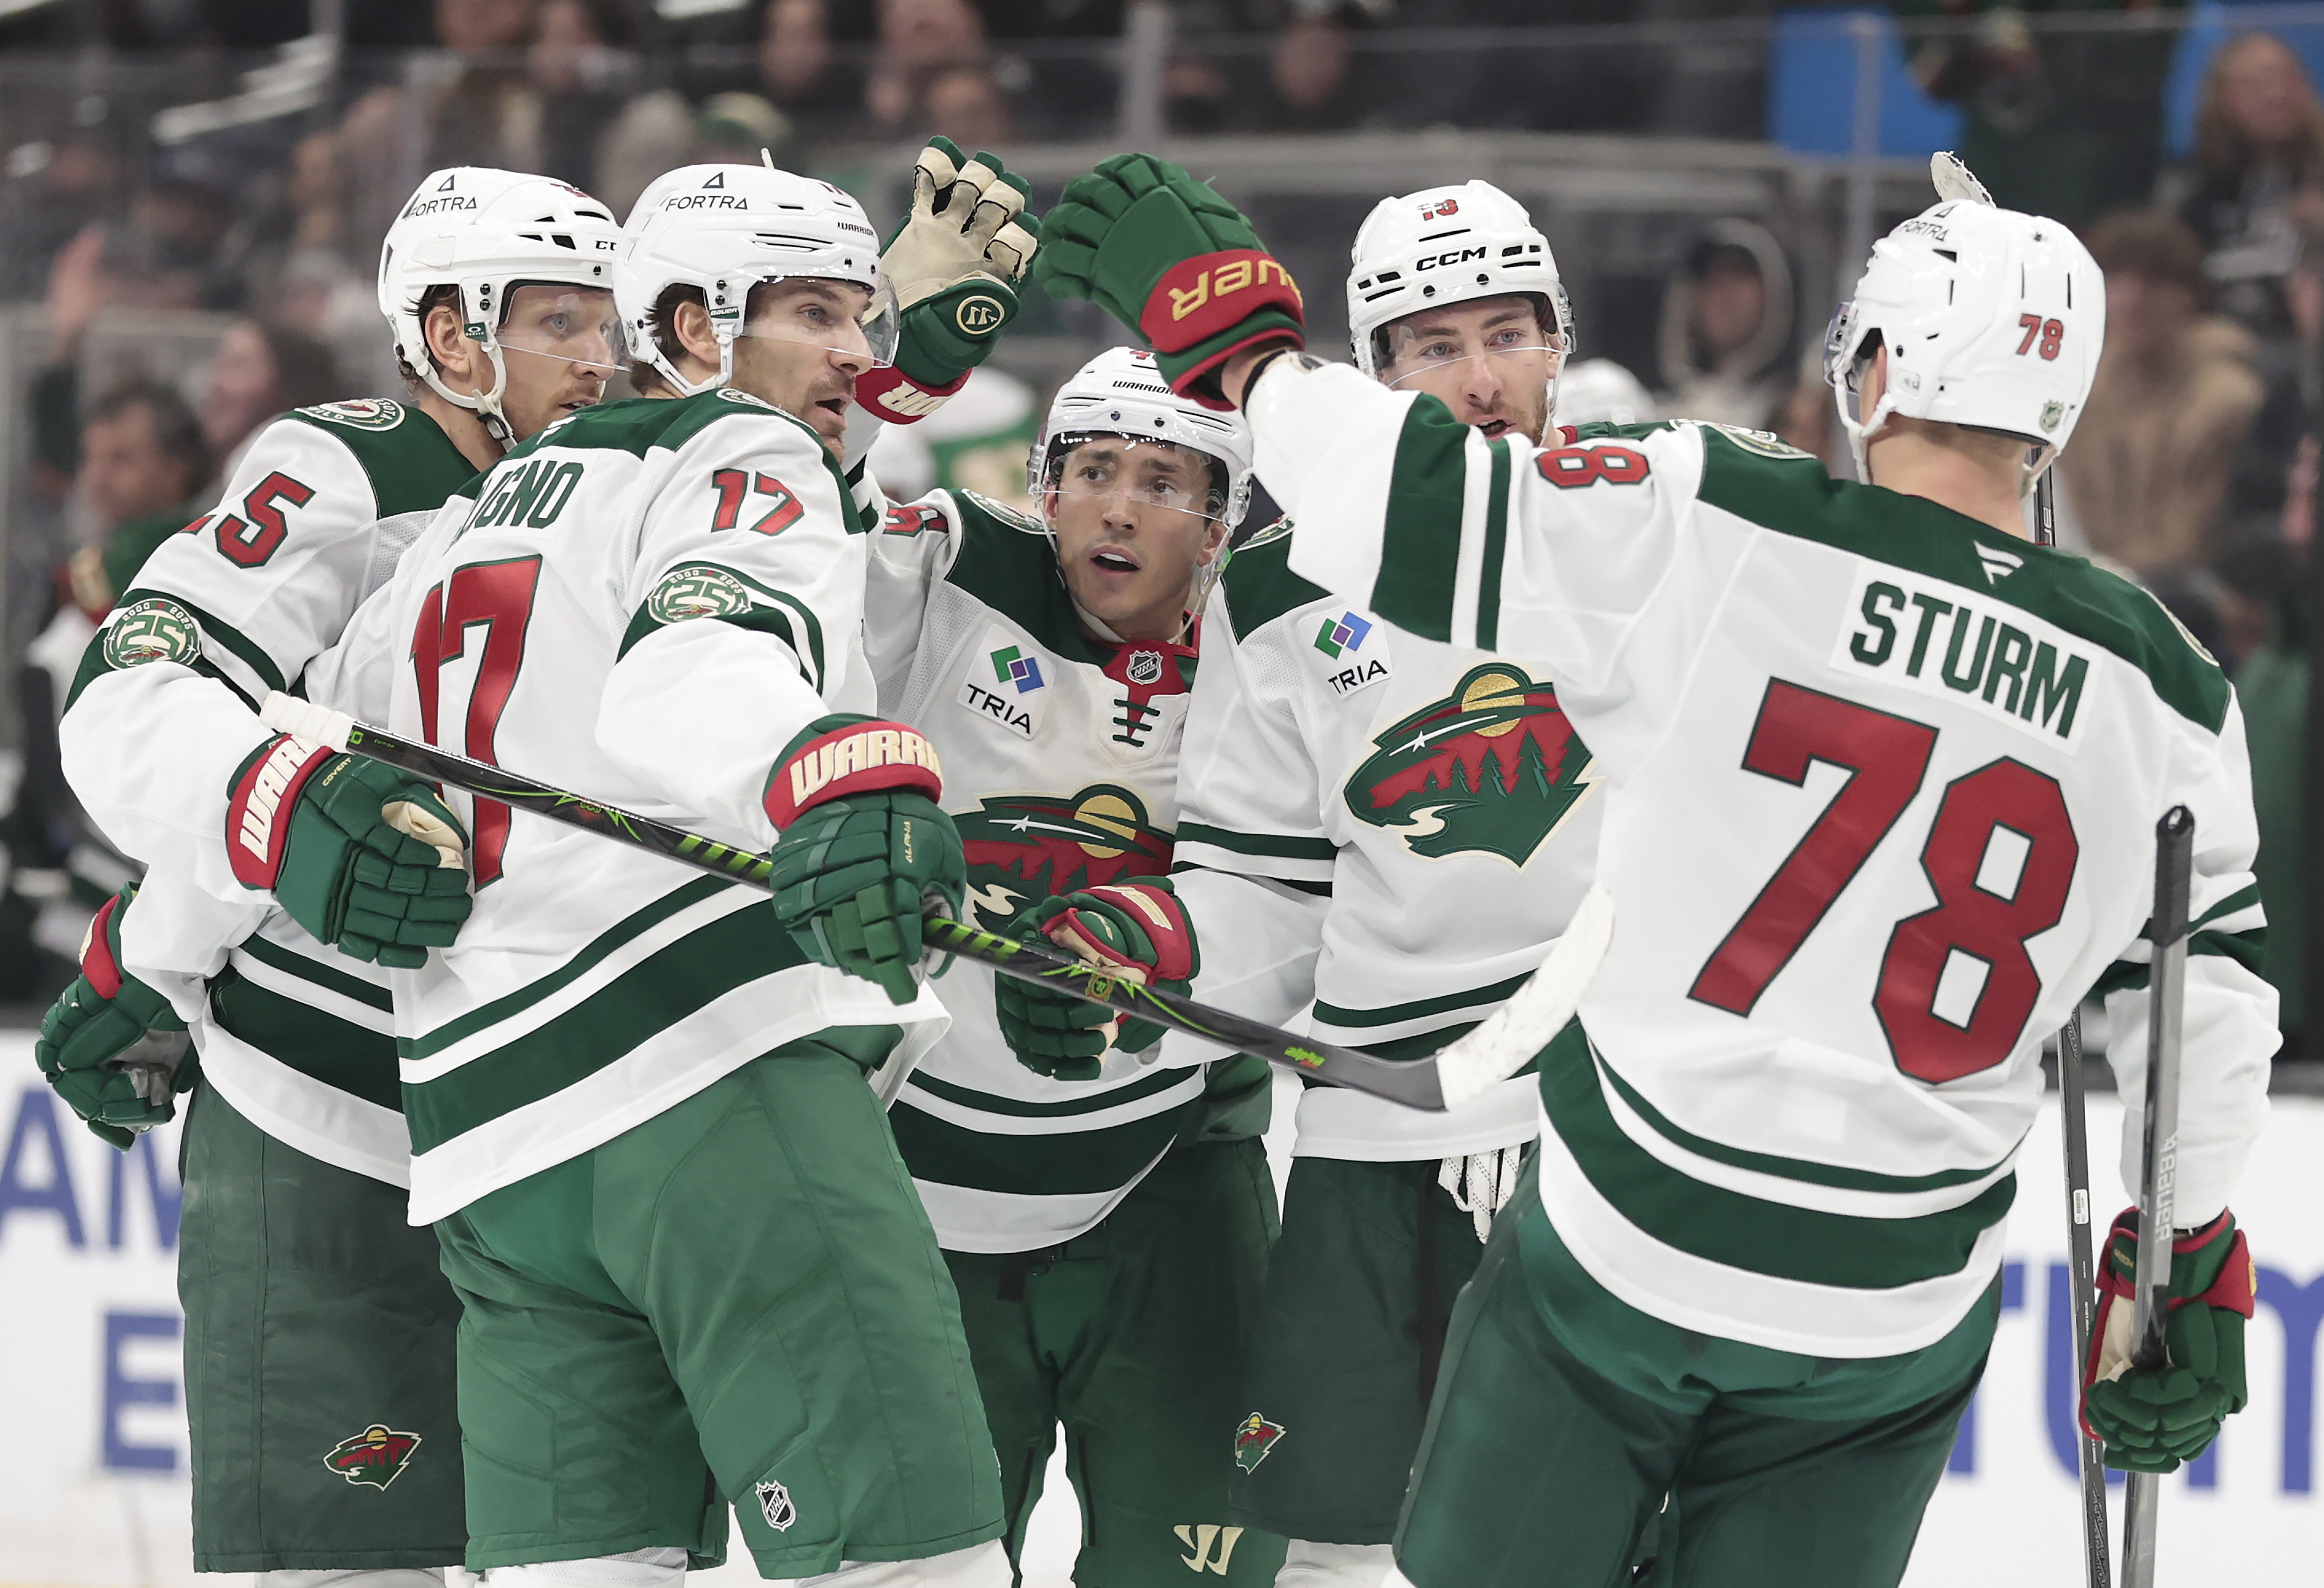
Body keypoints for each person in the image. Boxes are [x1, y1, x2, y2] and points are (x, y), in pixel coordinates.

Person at [1036, 150, 2278, 1588]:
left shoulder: (1714, 518)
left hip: (1633, 1208)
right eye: (1432, 343)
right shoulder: (2173, 687)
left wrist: (1247, 348)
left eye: (1508, 330)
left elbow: (1415, 502)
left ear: (1873, 368)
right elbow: (2207, 1002)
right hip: (1884, 1281)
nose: (1479, 371)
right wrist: (2178, 1246)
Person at [318, 152, 1039, 1586]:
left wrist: (146, 955)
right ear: (696, 332)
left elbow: (330, 768)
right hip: (703, 1083)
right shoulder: (736, 456)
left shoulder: (459, 528)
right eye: (816, 312)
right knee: (913, 1561)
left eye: (865, 316)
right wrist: (826, 763)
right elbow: (699, 661)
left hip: (490, 1144)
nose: (858, 346)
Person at [40, 166, 625, 1581]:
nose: (600, 356)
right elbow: (155, 697)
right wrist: (176, 930)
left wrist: (153, 944)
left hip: (552, 1112)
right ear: (447, 334)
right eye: (557, 321)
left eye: (606, 320)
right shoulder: (351, 464)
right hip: (329, 1101)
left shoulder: (632, 494)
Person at [863, 343, 1285, 1587]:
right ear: (1044, 483)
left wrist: (1165, 972)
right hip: (919, 1176)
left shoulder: (1277, 646)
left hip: (1169, 1176)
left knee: (1204, 1566)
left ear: (1220, 521)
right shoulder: (951, 563)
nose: (1116, 504)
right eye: (1092, 467)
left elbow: (1301, 903)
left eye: (1163, 480)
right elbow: (779, 581)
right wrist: (879, 404)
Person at [2061, 208, 2264, 576]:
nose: (2134, 299)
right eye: (2119, 278)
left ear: (2190, 296)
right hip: (2092, 576)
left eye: (2154, 282)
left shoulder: (2224, 395)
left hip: (2185, 592)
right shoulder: (2082, 384)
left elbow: (2188, 541)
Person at [2176, 31, 2324, 344]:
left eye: (2286, 79)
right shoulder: (2199, 190)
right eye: (2253, 85)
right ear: (2222, 100)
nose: (2275, 95)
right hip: (2219, 337)